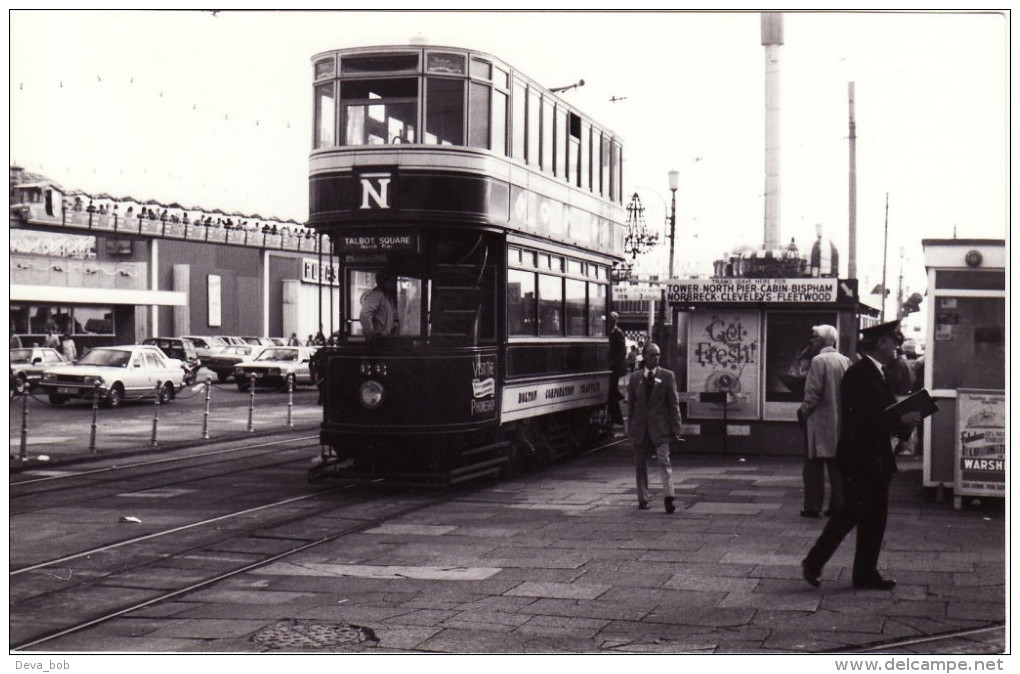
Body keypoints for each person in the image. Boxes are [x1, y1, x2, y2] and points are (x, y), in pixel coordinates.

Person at [801, 320, 922, 591]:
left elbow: (884, 414)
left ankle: (863, 572)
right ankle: (816, 562)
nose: (897, 347)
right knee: (853, 512)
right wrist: (902, 419)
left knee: (871, 515)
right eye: (894, 341)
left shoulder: (877, 373)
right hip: (861, 457)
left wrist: (905, 422)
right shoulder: (860, 374)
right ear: (880, 343)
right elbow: (867, 419)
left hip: (873, 456)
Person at [797, 325, 850, 518]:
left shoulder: (818, 361)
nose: (812, 341)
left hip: (818, 420)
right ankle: (838, 505)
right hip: (838, 420)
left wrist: (803, 411)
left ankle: (812, 506)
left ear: (822, 341)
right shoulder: (845, 360)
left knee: (813, 466)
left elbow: (812, 393)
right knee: (836, 465)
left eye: (815, 337)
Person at [626, 342, 683, 513]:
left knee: (664, 461)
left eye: (658, 354)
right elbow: (632, 406)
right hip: (641, 429)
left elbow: (674, 404)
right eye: (652, 355)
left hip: (660, 428)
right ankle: (643, 498)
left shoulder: (667, 376)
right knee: (640, 465)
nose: (656, 358)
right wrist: (630, 428)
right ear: (644, 357)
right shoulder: (635, 378)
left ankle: (669, 496)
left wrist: (676, 427)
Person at [359, 270, 397, 341]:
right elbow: (365, 314)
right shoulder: (376, 295)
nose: (393, 284)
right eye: (391, 281)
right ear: (385, 282)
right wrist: (371, 334)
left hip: (384, 337)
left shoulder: (386, 296)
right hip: (378, 339)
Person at [607, 311, 627, 425]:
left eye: (612, 320)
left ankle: (617, 419)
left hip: (615, 368)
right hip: (613, 366)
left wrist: (613, 363)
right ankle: (616, 419)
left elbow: (621, 352)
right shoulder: (611, 332)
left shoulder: (618, 333)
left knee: (611, 391)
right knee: (611, 391)